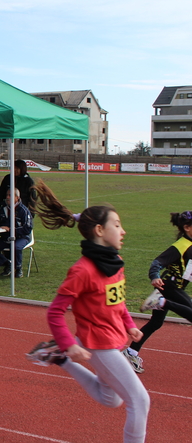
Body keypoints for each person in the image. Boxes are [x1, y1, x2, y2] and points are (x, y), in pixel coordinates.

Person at [26, 180, 149, 443]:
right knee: (140, 401)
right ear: (99, 230)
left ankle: (61, 361)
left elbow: (118, 301)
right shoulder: (82, 271)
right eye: (117, 225)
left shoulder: (114, 263)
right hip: (99, 344)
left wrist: (129, 324)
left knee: (111, 399)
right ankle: (63, 353)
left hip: (114, 339)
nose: (123, 231)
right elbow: (55, 312)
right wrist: (68, 343)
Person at [122, 211, 192, 373]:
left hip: (171, 287)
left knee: (156, 322)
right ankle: (161, 302)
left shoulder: (189, 243)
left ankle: (130, 352)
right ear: (187, 228)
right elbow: (157, 262)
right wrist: (154, 276)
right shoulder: (180, 246)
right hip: (167, 286)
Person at [0, 188, 33, 278]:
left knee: (16, 247)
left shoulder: (23, 210)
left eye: (10, 195)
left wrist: (11, 229)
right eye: (7, 195)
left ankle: (18, 268)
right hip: (6, 238)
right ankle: (8, 264)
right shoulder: (3, 209)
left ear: (17, 197)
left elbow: (27, 228)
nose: (7, 197)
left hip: (21, 237)